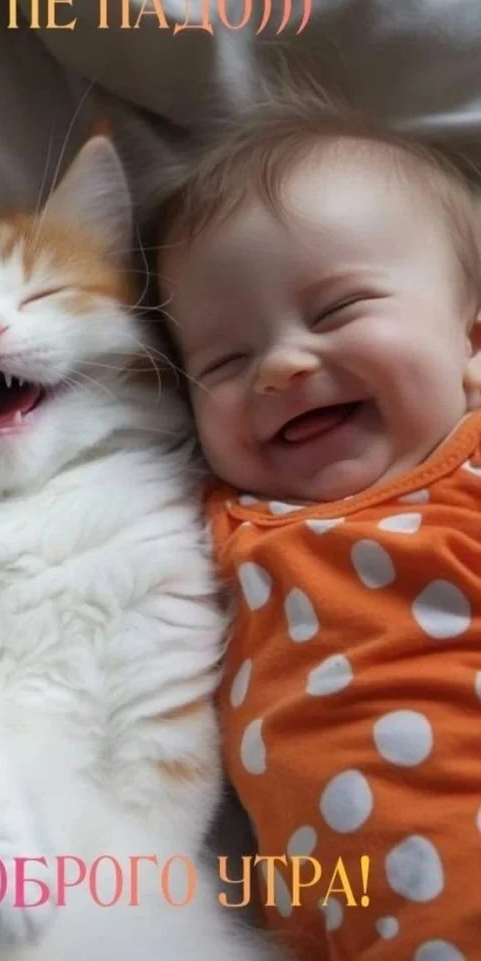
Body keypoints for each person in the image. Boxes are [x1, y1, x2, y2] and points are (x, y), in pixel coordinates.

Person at [155, 93, 481, 960]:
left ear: (474, 340)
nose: (282, 365)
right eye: (225, 361)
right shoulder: (220, 524)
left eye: (337, 311)